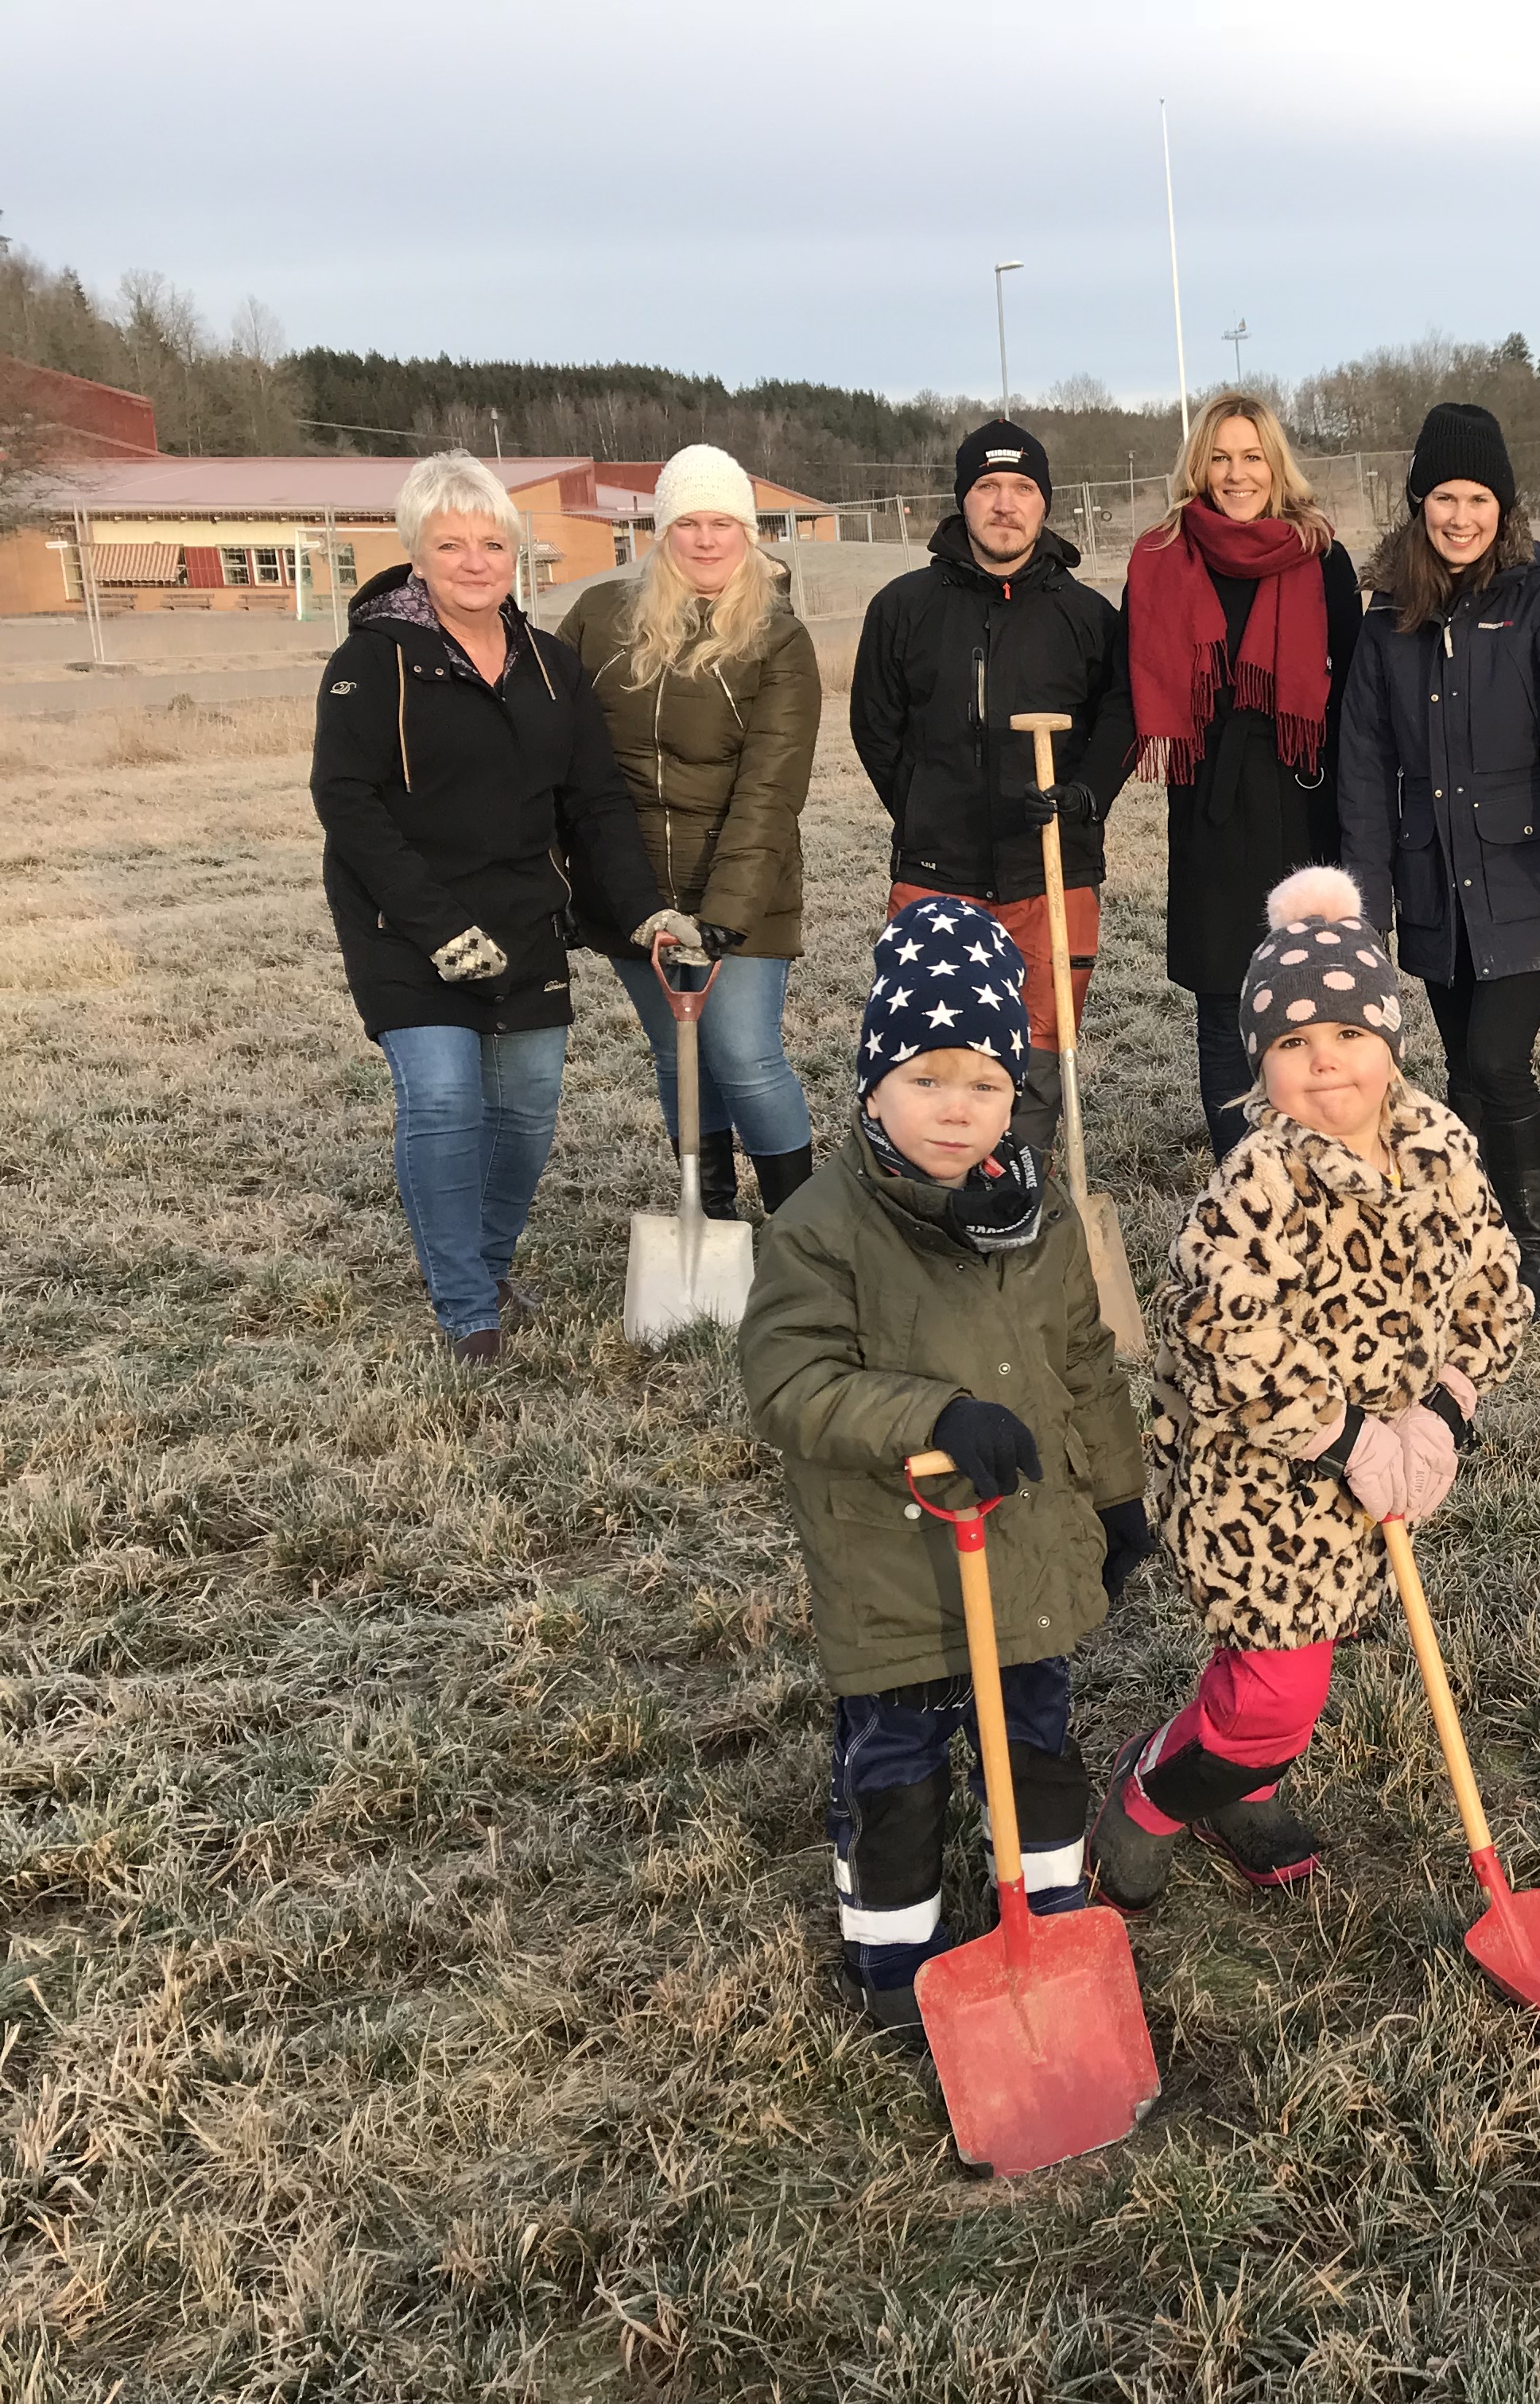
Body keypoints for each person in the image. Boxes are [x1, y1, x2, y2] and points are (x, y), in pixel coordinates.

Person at [736, 898, 1152, 2036]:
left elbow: (1083, 1360)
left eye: (983, 1083)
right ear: (872, 1085)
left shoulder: (1043, 1214)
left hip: (1022, 1555)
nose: (955, 1110)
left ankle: (1052, 1914)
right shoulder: (822, 1225)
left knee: (1038, 1749)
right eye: (926, 1079)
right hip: (894, 1566)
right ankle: (893, 1961)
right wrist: (934, 1412)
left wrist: (1118, 1497)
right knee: (900, 1773)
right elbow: (787, 1384)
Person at [1089, 869, 1528, 1909]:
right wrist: (1347, 1442)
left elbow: (1494, 1283)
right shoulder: (1257, 1186)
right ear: (1259, 1069)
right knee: (1277, 1687)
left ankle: (1247, 1788)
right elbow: (1222, 1337)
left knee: (1299, 1663)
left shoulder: (1441, 1151)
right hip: (1259, 1486)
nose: (1323, 1059)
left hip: (1376, 1473)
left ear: (1392, 1044)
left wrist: (1446, 1411)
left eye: (1345, 1034)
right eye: (1291, 1043)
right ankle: (1153, 1793)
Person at [309, 449, 695, 1363]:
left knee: (526, 1108)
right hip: (402, 923)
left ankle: (483, 1263)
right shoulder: (371, 663)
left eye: (492, 543)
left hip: (522, 919)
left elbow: (593, 803)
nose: (475, 562)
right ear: (417, 553)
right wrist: (437, 930)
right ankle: (465, 1309)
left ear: (514, 553)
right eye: (451, 545)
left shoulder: (552, 667)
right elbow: (347, 804)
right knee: (444, 1099)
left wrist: (642, 909)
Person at [1337, 401, 1540, 1316]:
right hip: (1435, 881)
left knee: (1497, 1062)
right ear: (1418, 505)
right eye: (1443, 496)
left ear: (1504, 507)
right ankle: (1467, 1246)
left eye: (1477, 497)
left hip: (1527, 879)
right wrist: (1367, 910)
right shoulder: (1386, 624)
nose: (1459, 516)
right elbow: (1364, 773)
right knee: (1462, 1072)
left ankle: (1535, 1266)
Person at [849, 418, 1135, 1154]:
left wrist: (1086, 797)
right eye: (987, 487)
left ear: (1045, 504)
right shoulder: (903, 609)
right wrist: (926, 806)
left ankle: (1019, 1198)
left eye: (1022, 488)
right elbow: (875, 728)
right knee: (928, 1058)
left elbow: (1122, 720)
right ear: (962, 500)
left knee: (1040, 1054)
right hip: (936, 876)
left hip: (1051, 873)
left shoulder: (1089, 618)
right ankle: (926, 1213)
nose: (1004, 504)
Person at [560, 444, 822, 1217]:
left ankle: (802, 1227)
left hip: (740, 900)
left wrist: (722, 922)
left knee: (743, 1055)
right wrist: (622, 897)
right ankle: (710, 1216)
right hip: (631, 893)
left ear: (748, 532)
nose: (706, 540)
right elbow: (567, 758)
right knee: (681, 1061)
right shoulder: (598, 621)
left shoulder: (777, 640)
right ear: (661, 530)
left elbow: (770, 792)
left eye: (723, 523)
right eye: (688, 524)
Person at [1122, 390, 1365, 1159]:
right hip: (1211, 807)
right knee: (1225, 1002)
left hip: (1303, 796)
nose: (1236, 474)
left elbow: (1358, 687)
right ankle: (1240, 1178)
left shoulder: (1319, 554)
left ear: (1275, 465)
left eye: (1251, 457)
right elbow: (1130, 686)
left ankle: (1317, 1166)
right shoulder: (1162, 555)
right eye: (1220, 457)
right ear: (1200, 464)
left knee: (1315, 998)